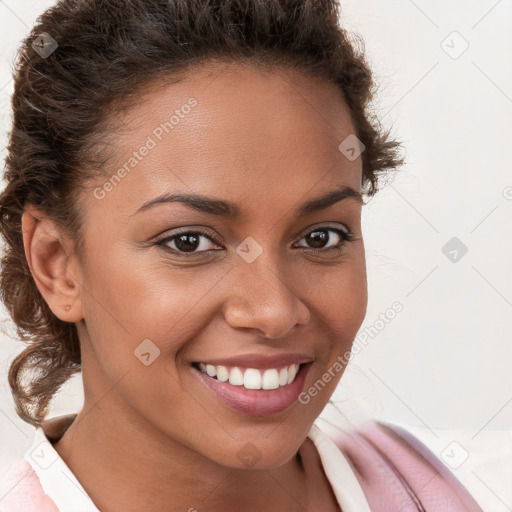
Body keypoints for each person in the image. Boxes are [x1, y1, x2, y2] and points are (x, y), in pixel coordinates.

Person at [0, 0, 492, 510]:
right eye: (188, 241)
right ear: (57, 265)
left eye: (321, 237)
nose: (275, 311)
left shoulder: (460, 486)